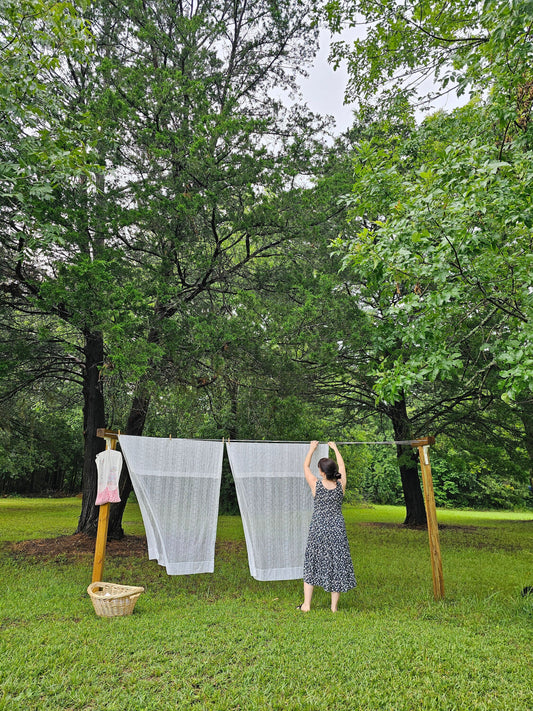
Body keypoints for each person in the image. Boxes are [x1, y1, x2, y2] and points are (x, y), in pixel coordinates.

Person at [298, 440, 356, 612]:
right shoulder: (341, 485)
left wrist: (311, 449)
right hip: (337, 528)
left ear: (322, 473)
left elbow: (305, 466)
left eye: (320, 470)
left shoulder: (316, 484)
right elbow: (343, 468)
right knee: (336, 563)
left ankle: (307, 605)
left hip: (318, 528)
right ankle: (333, 608)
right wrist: (335, 448)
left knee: (312, 562)